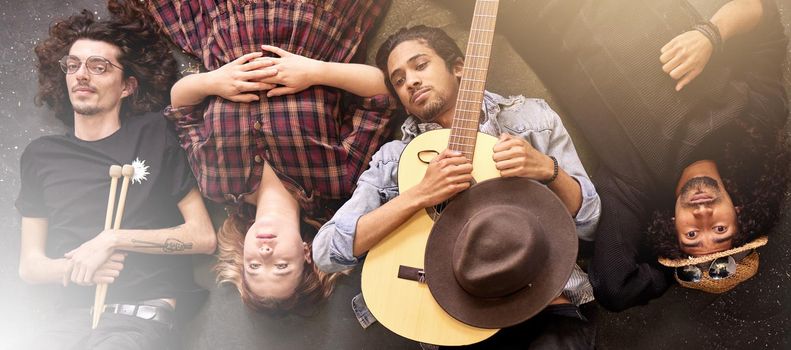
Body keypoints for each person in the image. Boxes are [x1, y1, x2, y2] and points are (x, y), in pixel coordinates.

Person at [485, 0, 789, 310]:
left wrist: (678, 268)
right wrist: (709, 35)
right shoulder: (756, 121)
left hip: (535, 14)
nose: (702, 217)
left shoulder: (635, 186)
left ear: (675, 224)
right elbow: (764, 15)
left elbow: (615, 287)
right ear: (740, 212)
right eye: (720, 230)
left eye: (692, 235)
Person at [313, 25, 601, 348]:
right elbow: (326, 251)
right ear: (403, 105)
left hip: (544, 304)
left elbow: (590, 224)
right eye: (399, 80)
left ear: (461, 67)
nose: (410, 81)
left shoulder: (531, 119)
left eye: (420, 65)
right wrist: (421, 193)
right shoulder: (394, 160)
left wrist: (548, 170)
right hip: (452, 322)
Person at [140, 0, 396, 311]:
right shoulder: (338, 178)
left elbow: (180, 107)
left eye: (254, 267)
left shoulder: (216, 184)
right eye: (281, 267)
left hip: (226, 20)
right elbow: (383, 94)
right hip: (313, 20)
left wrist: (213, 81)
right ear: (306, 252)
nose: (264, 254)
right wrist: (317, 72)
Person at [16, 3, 217, 349]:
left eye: (99, 67)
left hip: (138, 315)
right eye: (74, 65)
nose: (82, 75)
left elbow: (203, 237)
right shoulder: (40, 155)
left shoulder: (155, 133)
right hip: (67, 320)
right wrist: (74, 269)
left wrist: (111, 239)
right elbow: (30, 265)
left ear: (127, 86)